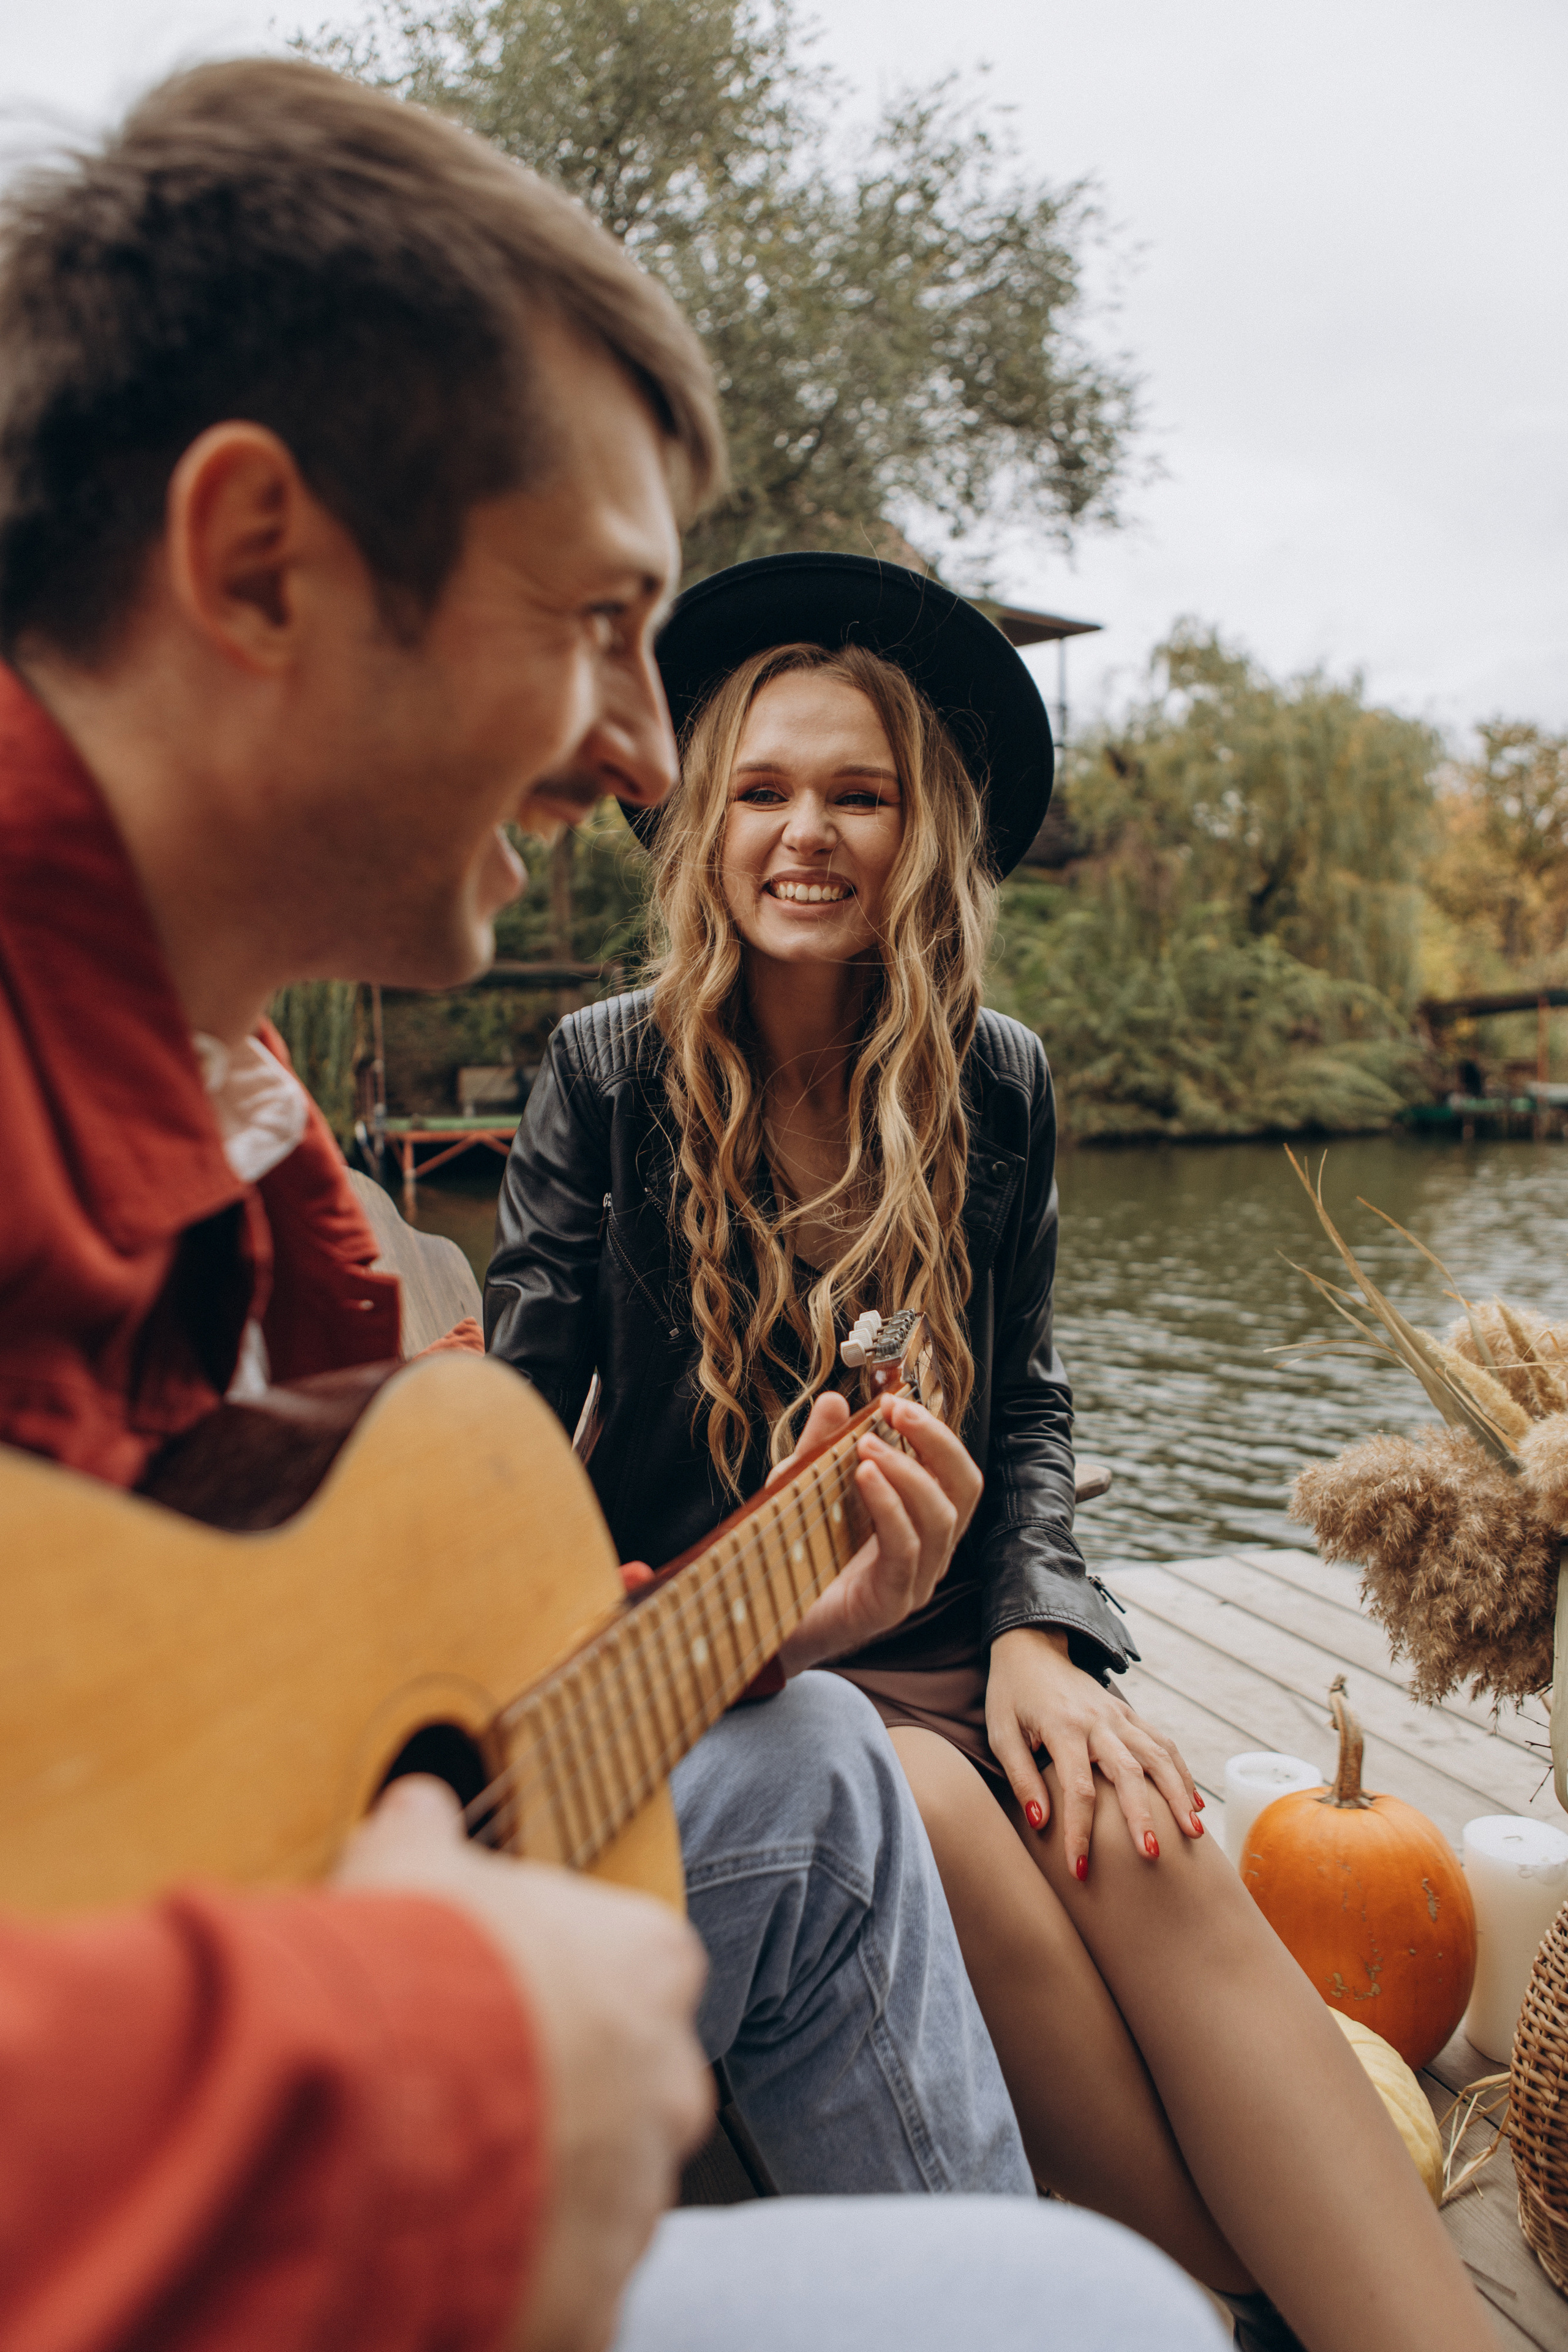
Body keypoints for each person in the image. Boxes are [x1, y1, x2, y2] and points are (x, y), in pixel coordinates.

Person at [0, 58, 1227, 2352]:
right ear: (259, 564)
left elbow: (369, 1688)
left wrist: (764, 1606)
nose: (644, 763)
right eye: (594, 624)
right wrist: (414, 2038)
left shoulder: (264, 1136)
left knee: (821, 1767)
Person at [486, 552, 1494, 2352]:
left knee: (1149, 1833)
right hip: (747, 1671)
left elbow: (1026, 1398)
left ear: (920, 833)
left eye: (858, 795)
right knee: (949, 1821)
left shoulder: (994, 1080)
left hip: (959, 1638)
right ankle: (1223, 2281)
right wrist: (740, 1591)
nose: (809, 834)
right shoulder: (606, 1073)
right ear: (705, 825)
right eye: (765, 791)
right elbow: (511, 1446)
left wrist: (1040, 1629)